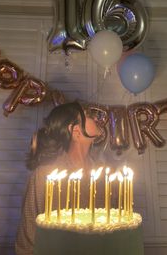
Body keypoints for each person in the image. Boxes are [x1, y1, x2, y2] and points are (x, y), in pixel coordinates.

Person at [15, 101, 103, 255]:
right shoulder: (45, 175)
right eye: (89, 115)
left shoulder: (102, 174)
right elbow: (28, 233)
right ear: (76, 131)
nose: (96, 118)